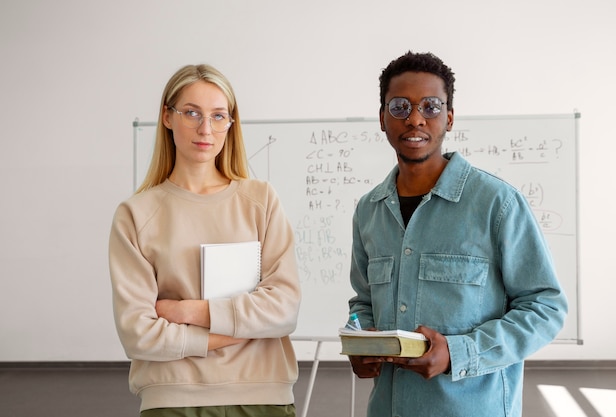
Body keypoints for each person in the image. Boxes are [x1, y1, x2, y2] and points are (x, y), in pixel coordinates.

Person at [347, 51, 568, 417]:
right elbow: (363, 302)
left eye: (430, 106)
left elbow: (545, 308)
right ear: (382, 119)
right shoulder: (369, 210)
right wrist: (359, 342)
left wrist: (458, 352)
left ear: (449, 118)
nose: (415, 118)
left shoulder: (498, 204)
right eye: (400, 107)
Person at [109, 64, 301, 417]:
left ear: (231, 123)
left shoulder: (261, 200)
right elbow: (137, 334)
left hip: (263, 399)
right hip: (173, 400)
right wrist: (236, 333)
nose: (205, 129)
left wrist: (185, 311)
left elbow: (284, 309)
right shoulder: (136, 214)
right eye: (192, 113)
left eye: (218, 116)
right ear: (167, 117)